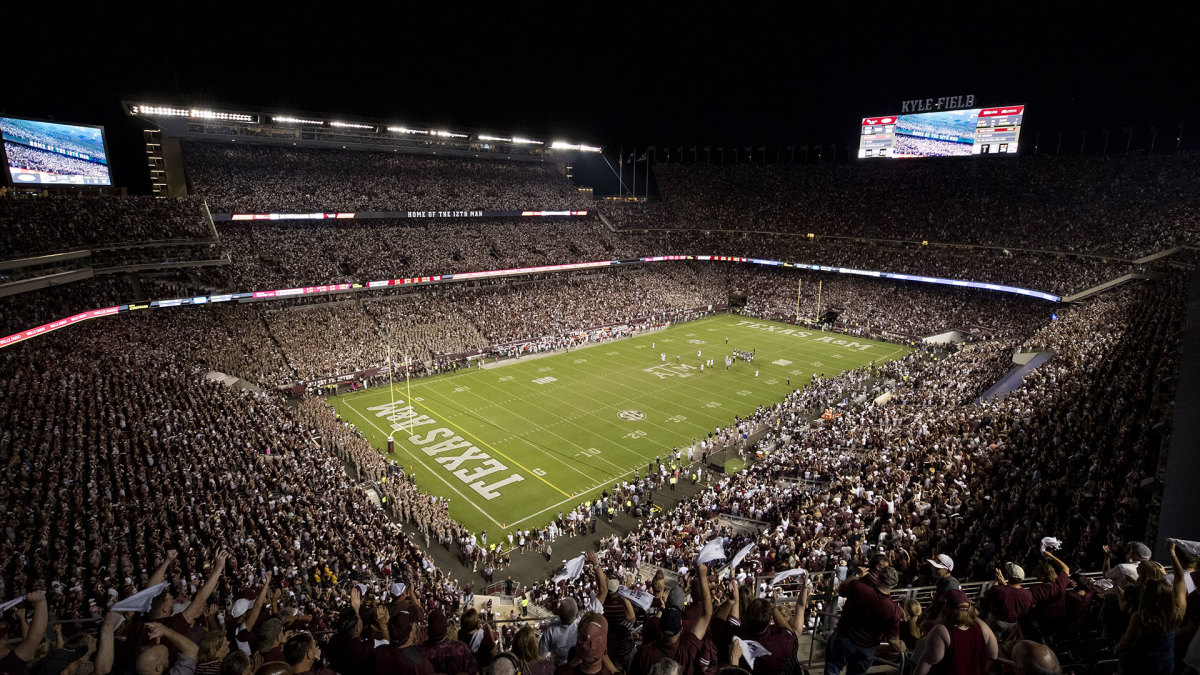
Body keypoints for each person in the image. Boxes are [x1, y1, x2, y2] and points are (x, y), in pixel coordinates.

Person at [1115, 541, 1188, 674]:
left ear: (1146, 596)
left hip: (1140, 664)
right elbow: (1180, 579)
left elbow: (1127, 640)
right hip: (1166, 663)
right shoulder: (1176, 614)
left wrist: (1117, 648)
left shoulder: (1141, 617)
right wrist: (1173, 555)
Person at [631, 562, 713, 675]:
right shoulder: (688, 649)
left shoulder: (644, 654)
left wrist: (663, 607)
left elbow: (706, 615)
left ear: (659, 628)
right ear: (681, 630)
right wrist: (703, 577)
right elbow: (707, 615)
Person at [824, 566, 904, 675]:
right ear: (894, 585)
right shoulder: (894, 610)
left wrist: (855, 575)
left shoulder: (858, 587)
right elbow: (892, 639)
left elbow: (841, 588)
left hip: (844, 638)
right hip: (867, 648)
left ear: (878, 578)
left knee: (832, 668)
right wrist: (902, 646)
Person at [912, 589, 998, 675]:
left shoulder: (941, 631)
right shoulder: (982, 628)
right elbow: (994, 655)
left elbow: (924, 665)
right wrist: (971, 614)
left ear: (945, 608)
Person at [540, 597, 580, 666]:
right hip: (576, 667)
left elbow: (541, 655)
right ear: (577, 615)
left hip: (557, 668)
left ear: (558, 614)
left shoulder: (550, 630)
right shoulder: (582, 627)